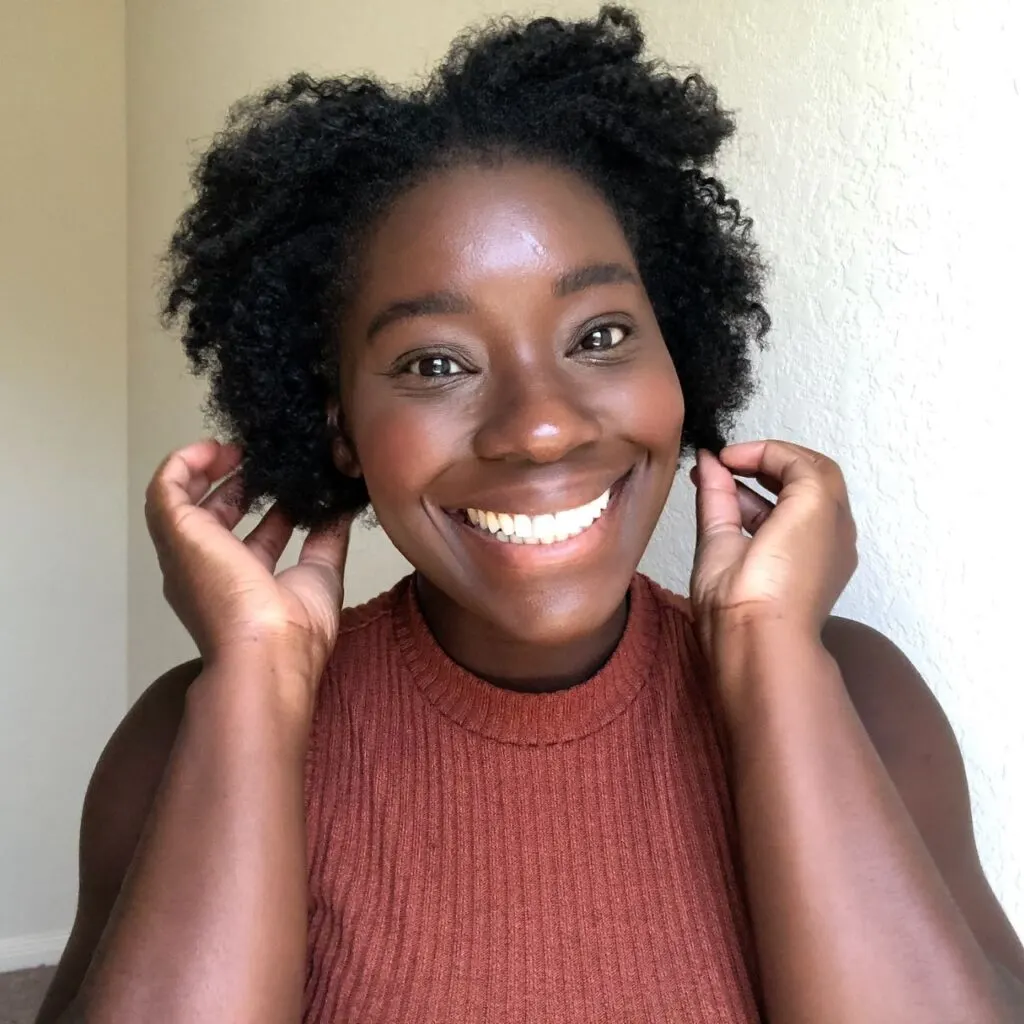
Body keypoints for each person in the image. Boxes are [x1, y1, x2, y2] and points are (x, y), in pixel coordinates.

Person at [35, 6, 1024, 1023]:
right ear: (341, 433)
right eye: (434, 363)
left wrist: (772, 659)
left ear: (679, 360)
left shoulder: (856, 697)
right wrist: (254, 691)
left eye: (598, 334)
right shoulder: (186, 737)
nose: (541, 428)